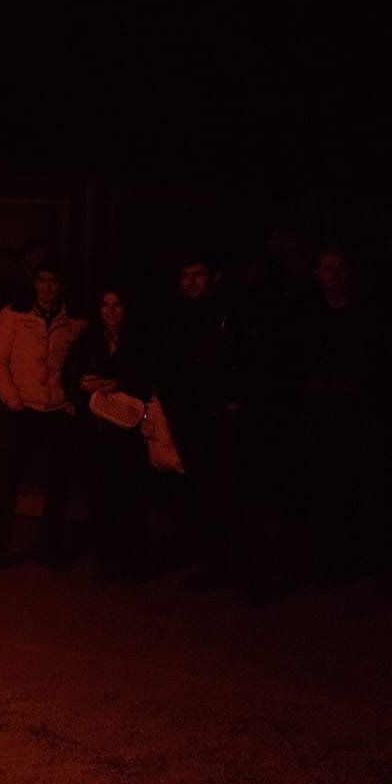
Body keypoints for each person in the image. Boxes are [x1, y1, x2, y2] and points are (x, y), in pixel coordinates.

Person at [0, 258, 86, 572]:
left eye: (53, 281)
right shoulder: (14, 315)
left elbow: (81, 364)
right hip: (23, 410)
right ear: (33, 283)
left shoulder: (73, 321)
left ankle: (49, 547)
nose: (47, 287)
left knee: (57, 482)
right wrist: (12, 400)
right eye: (41, 281)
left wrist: (72, 399)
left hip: (57, 410)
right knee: (8, 481)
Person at [293, 243, 385, 589]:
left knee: (360, 486)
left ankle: (361, 558)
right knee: (324, 486)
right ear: (317, 274)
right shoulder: (307, 315)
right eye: (327, 268)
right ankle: (327, 561)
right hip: (319, 416)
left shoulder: (366, 313)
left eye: (340, 267)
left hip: (358, 415)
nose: (334, 275)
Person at [155, 248, 245, 590]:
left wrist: (233, 398)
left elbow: (238, 360)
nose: (191, 283)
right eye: (186, 276)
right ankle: (205, 556)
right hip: (188, 413)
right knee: (196, 485)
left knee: (221, 486)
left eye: (198, 275)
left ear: (213, 277)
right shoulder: (174, 316)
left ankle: (222, 561)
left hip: (218, 413)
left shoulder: (226, 315)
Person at [62, 285, 156, 582]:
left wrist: (122, 383)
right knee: (100, 495)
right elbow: (69, 377)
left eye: (117, 305)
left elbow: (151, 378)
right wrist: (82, 383)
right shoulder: (88, 339)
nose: (111, 311)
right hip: (97, 430)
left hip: (128, 432)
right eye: (105, 305)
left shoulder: (139, 341)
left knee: (130, 496)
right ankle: (107, 558)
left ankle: (133, 561)